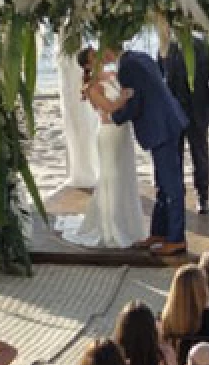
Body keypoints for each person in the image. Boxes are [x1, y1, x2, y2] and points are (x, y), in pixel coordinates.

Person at [85, 43, 192, 256]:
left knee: (171, 185)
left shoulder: (127, 67)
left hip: (160, 127)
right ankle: (159, 232)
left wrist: (115, 118)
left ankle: (176, 238)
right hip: (168, 122)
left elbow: (136, 101)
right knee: (162, 183)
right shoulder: (140, 56)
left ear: (109, 50)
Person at [61, 48, 149, 250]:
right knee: (111, 178)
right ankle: (112, 229)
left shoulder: (112, 75)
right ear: (88, 65)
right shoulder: (92, 87)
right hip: (109, 133)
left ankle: (128, 225)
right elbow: (109, 107)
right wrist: (125, 97)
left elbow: (121, 61)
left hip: (123, 133)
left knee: (125, 176)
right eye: (94, 56)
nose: (98, 56)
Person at [159, 36, 209, 215]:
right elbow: (160, 78)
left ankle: (203, 196)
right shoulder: (167, 46)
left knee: (200, 154)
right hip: (174, 112)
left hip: (199, 110)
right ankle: (177, 194)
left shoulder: (206, 46)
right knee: (174, 155)